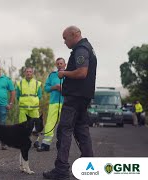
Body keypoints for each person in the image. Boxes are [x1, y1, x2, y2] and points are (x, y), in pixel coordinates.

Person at [43, 26, 97, 179]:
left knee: (64, 130)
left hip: (75, 98)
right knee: (81, 130)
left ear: (74, 35)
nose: (64, 42)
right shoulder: (87, 48)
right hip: (82, 97)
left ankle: (61, 169)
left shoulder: (81, 49)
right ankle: (89, 167)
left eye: (65, 38)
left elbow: (81, 72)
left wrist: (63, 73)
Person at [37, 58, 66, 152]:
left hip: (65, 102)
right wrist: (55, 87)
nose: (59, 65)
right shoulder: (52, 75)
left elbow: (72, 88)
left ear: (65, 64)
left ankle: (63, 144)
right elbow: (46, 88)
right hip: (54, 102)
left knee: (65, 124)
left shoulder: (69, 75)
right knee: (50, 123)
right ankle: (46, 144)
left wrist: (62, 89)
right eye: (58, 64)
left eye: (61, 63)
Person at [16, 67, 42, 146]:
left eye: (30, 72)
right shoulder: (20, 83)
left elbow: (39, 95)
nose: (28, 73)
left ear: (32, 73)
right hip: (23, 108)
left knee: (36, 125)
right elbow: (18, 96)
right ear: (24, 73)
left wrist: (33, 102)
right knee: (22, 125)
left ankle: (36, 142)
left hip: (34, 108)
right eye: (27, 72)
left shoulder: (37, 83)